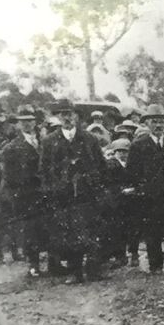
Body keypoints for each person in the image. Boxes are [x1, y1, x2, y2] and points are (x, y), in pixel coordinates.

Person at [39, 99, 107, 284]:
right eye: (63, 114)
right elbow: (44, 170)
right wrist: (52, 190)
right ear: (58, 117)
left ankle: (93, 270)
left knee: (91, 230)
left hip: (87, 193)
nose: (67, 117)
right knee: (68, 233)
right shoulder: (49, 141)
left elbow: (101, 166)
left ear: (76, 115)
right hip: (63, 196)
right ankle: (74, 272)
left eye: (69, 113)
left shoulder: (89, 139)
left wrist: (94, 184)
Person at [127, 105, 164, 274]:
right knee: (153, 233)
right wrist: (141, 190)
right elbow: (132, 172)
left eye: (161, 122)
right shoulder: (138, 145)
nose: (158, 126)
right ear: (147, 123)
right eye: (154, 122)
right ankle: (156, 266)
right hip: (149, 198)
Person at [0, 106, 43, 278]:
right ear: (18, 124)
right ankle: (33, 265)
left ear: (35, 122)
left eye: (30, 120)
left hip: (45, 192)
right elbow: (9, 176)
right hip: (26, 195)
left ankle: (55, 263)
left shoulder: (44, 141)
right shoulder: (11, 147)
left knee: (47, 226)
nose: (27, 124)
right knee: (30, 230)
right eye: (23, 121)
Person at [102, 139, 135, 266]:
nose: (122, 154)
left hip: (126, 201)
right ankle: (114, 256)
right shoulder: (111, 164)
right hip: (114, 200)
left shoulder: (129, 165)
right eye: (119, 151)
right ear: (114, 152)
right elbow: (109, 183)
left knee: (124, 229)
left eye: (125, 151)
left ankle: (121, 255)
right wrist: (122, 190)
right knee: (113, 229)